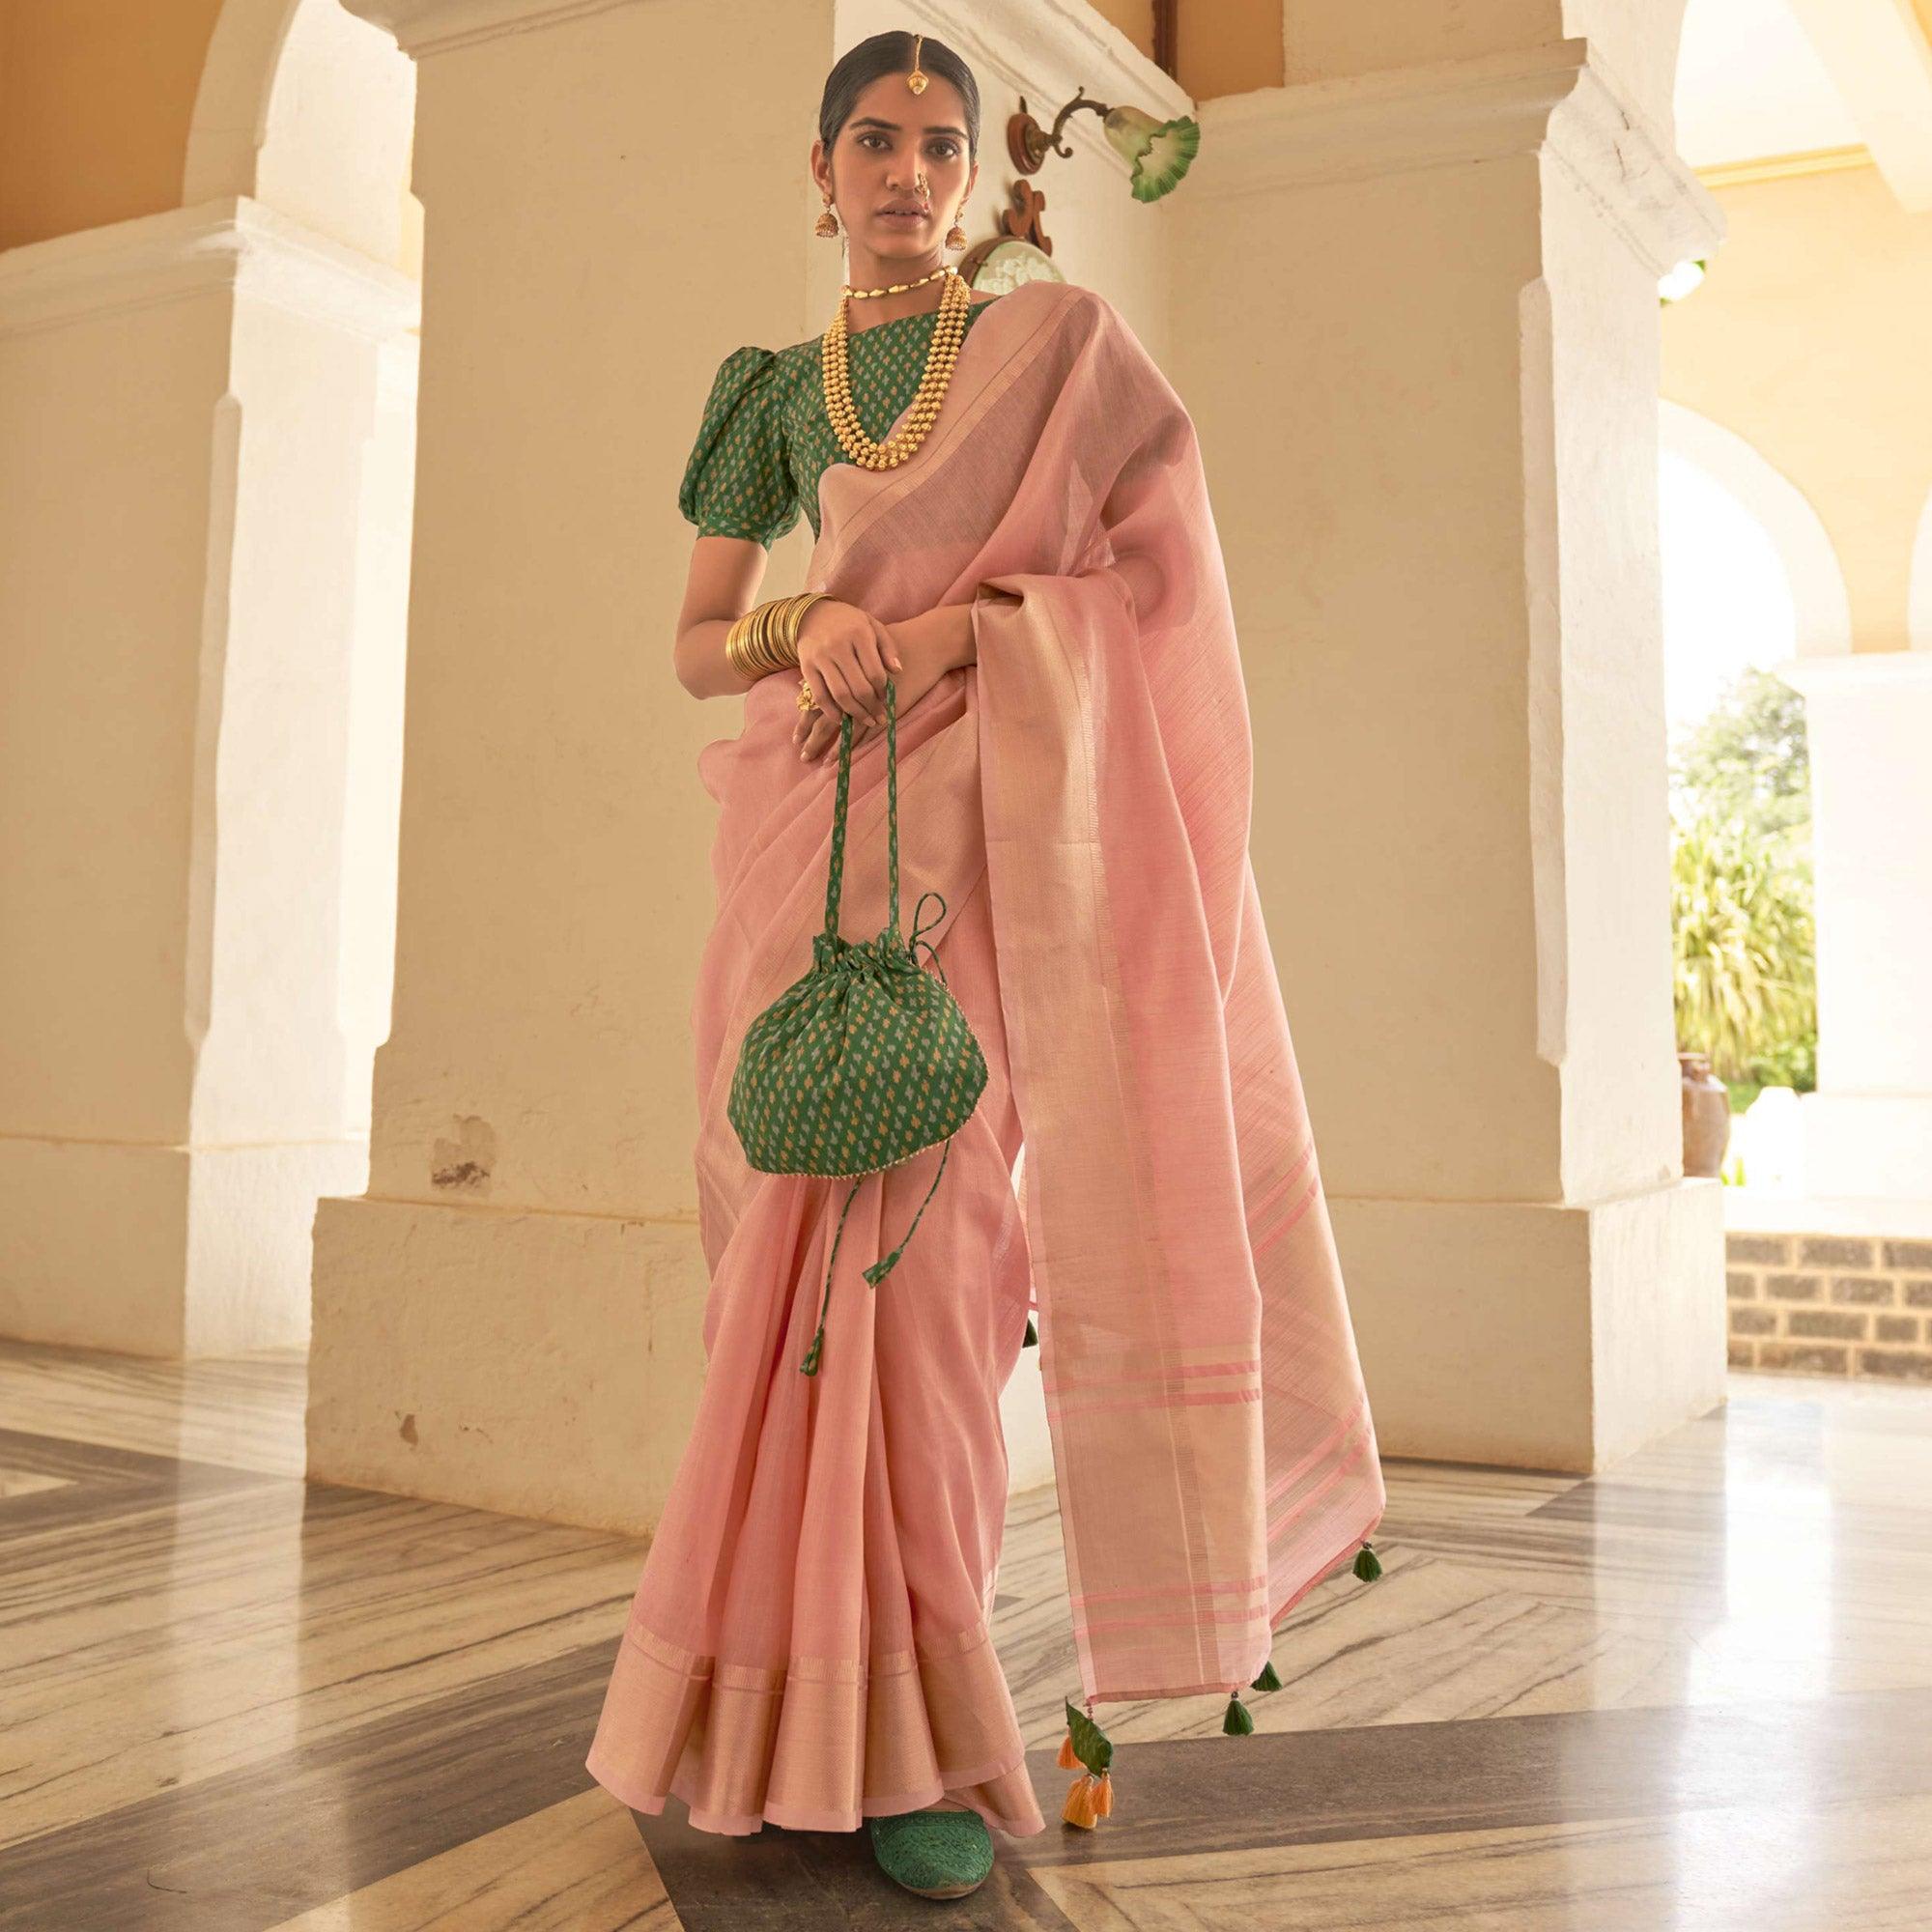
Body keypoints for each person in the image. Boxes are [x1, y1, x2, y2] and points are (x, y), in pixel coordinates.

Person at [586, 27, 1387, 1903]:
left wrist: (950, 636)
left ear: (971, 175)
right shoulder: (773, 392)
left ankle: (932, 1747)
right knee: (776, 1288)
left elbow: (1148, 584)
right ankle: (764, 1728)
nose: (903, 172)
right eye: (870, 139)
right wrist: (815, 623)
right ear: (818, 167)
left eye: (938, 146)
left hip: (983, 845)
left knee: (939, 1286)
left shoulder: (1052, 355)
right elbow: (700, 642)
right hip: (804, 846)